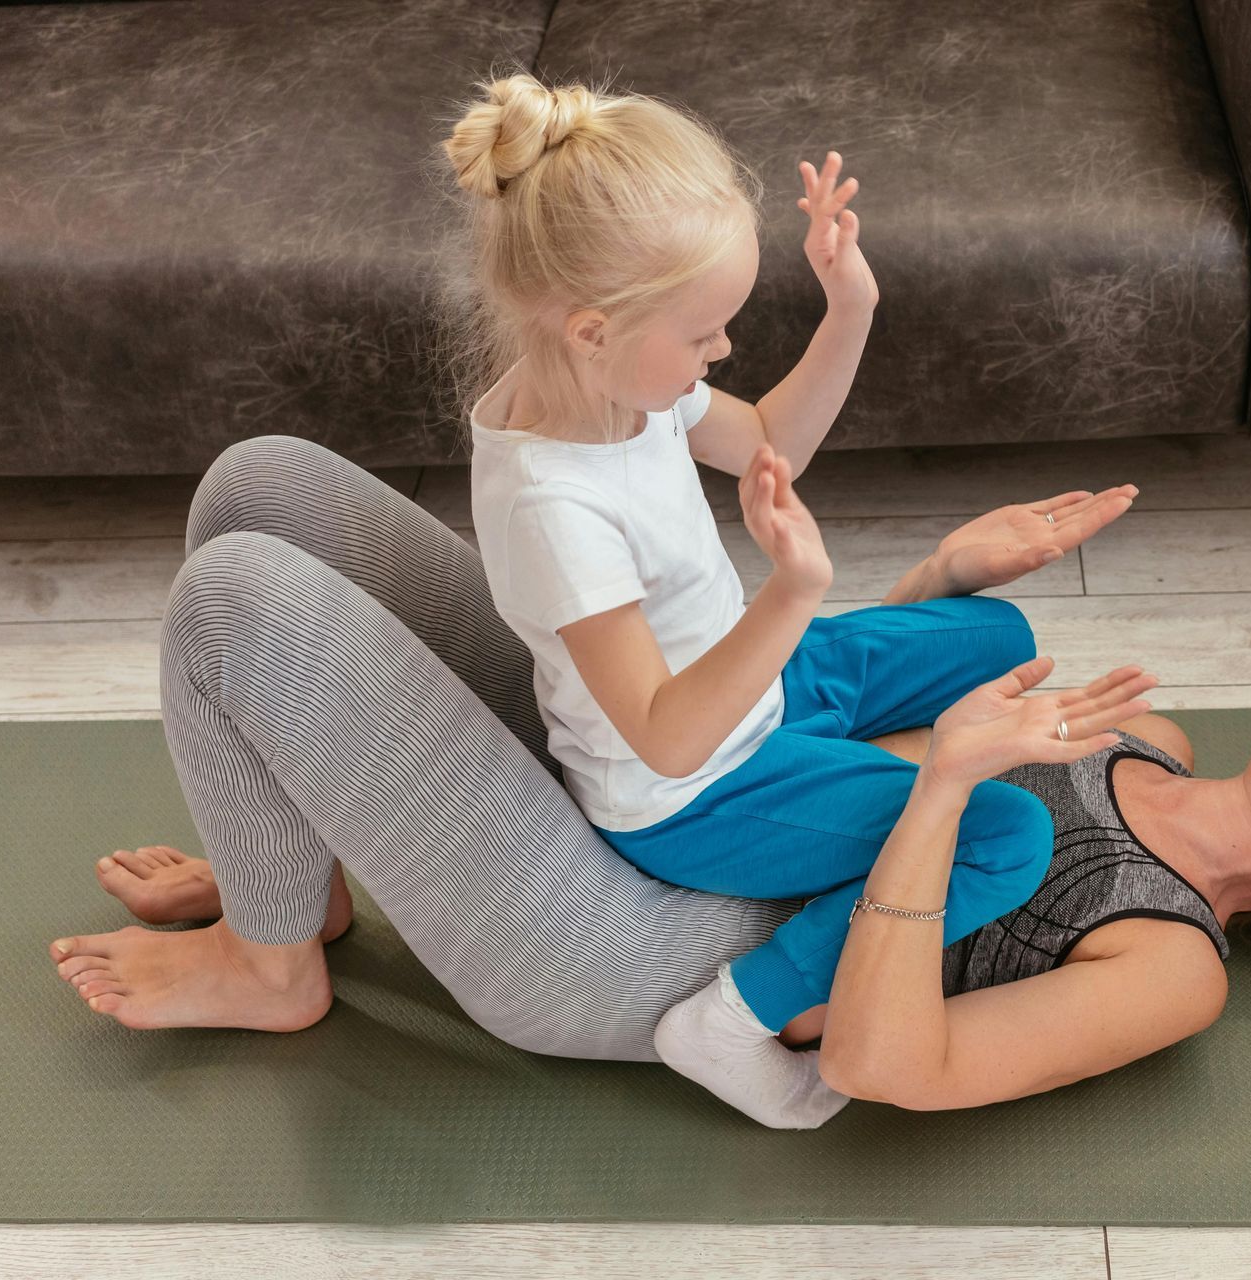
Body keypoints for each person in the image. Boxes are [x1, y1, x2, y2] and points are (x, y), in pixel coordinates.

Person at [44, 438, 1251, 1126]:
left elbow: (895, 1065)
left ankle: (270, 957)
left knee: (239, 601)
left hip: (649, 944)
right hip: (691, 783)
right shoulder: (1157, 736)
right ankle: (289, 893)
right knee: (265, 487)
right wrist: (946, 577)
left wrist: (955, 790)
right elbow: (830, 710)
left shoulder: (1169, 964)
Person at [435, 72, 1141, 1126]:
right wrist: (793, 588)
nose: (720, 351)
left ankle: (868, 760)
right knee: (1009, 838)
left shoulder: (626, 387)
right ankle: (733, 1014)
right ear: (592, 329)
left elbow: (770, 439)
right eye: (705, 330)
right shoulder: (552, 506)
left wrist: (851, 303)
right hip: (695, 788)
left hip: (767, 683)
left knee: (998, 630)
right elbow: (669, 739)